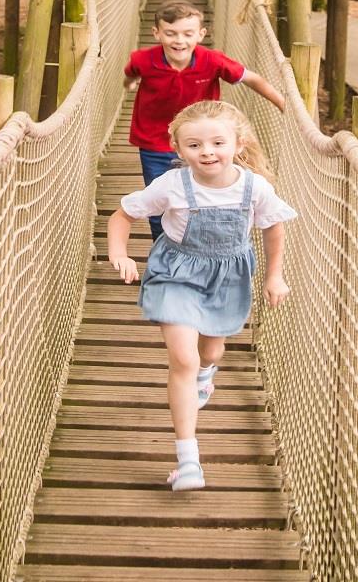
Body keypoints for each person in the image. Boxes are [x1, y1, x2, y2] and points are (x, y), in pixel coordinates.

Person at [106, 100, 295, 492]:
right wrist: (119, 254)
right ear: (178, 150)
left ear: (238, 143)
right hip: (175, 273)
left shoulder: (254, 187)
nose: (206, 151)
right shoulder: (172, 184)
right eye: (194, 145)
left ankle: (208, 374)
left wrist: (274, 276)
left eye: (217, 143)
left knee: (209, 353)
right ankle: (188, 461)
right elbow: (123, 215)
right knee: (183, 359)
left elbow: (273, 227)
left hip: (227, 276)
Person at [124, 1, 286, 238]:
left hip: (203, 140)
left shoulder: (212, 60)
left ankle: (202, 243)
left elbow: (253, 79)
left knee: (204, 191)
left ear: (201, 35)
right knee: (159, 197)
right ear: (157, 33)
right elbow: (130, 74)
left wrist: (284, 106)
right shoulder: (143, 60)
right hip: (155, 141)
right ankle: (165, 245)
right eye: (170, 34)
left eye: (187, 34)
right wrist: (129, 84)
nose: (179, 40)